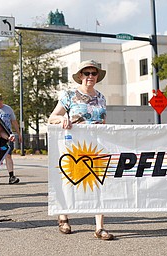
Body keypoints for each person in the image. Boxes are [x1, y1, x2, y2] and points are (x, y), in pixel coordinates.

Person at [48, 59, 114, 240]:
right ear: (80, 76)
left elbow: (103, 122)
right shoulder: (69, 96)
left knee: (99, 183)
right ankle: (63, 217)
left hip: (96, 145)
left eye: (94, 73)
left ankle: (100, 227)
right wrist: (61, 120)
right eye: (87, 73)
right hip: (73, 145)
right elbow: (52, 117)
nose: (90, 77)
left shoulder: (101, 97)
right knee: (68, 181)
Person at [0, 92, 21, 184]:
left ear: (2, 100)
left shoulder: (8, 109)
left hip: (7, 135)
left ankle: (11, 176)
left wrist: (19, 133)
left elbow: (14, 121)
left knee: (8, 155)